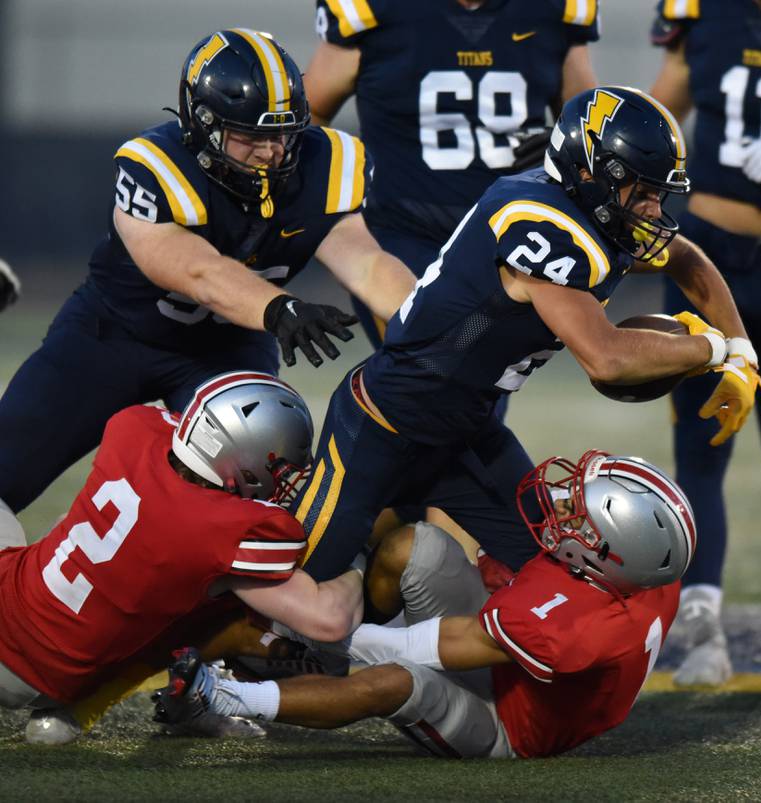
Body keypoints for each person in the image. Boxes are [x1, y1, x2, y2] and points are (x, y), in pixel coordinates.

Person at [286, 85, 761, 587]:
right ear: (590, 174)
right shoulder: (541, 223)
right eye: (642, 192)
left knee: (557, 576)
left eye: (657, 194)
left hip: (467, 431)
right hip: (385, 423)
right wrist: (715, 350)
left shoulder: (596, 213)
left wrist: (743, 352)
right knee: (302, 582)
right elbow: (606, 358)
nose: (651, 209)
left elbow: (687, 259)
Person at [0, 28, 414, 516]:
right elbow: (195, 270)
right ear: (203, 124)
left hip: (227, 350)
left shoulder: (325, 163)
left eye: (283, 132)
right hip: (111, 336)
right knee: (7, 468)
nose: (272, 151)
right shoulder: (155, 165)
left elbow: (367, 263)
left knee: (255, 489)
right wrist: (277, 309)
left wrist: (435, 325)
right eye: (251, 136)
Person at [154, 450, 694, 759]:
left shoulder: (571, 626)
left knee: (393, 678)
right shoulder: (642, 572)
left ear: (611, 552)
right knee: (419, 546)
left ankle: (227, 696)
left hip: (508, 726)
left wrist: (301, 621)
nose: (565, 507)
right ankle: (293, 656)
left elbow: (414, 648)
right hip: (517, 654)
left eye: (583, 518)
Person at [0, 371, 364, 744]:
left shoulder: (132, 427)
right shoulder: (228, 527)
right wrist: (357, 554)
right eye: (280, 464)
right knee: (227, 595)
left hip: (15, 604)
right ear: (244, 459)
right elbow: (329, 620)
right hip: (50, 679)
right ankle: (172, 696)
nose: (288, 474)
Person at [649, 0, 761, 685]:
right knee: (703, 439)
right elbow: (656, 114)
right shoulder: (700, 10)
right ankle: (703, 617)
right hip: (704, 258)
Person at [306, 0, 600, 348]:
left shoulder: (553, 10)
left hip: (506, 239)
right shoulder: (372, 10)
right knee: (422, 372)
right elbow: (310, 118)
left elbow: (588, 130)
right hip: (402, 232)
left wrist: (559, 145)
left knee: (482, 386)